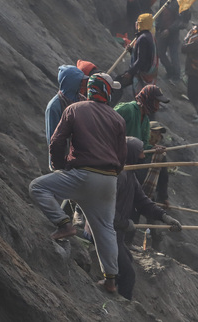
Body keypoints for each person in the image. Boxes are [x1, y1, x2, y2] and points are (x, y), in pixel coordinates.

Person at [29, 73, 127, 294]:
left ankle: (64, 224)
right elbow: (122, 156)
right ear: (107, 91)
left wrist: (58, 166)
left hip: (81, 174)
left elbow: (56, 140)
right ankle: (110, 280)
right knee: (106, 230)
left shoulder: (75, 109)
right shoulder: (117, 119)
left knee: (37, 187)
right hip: (108, 179)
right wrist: (112, 174)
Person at [114, 137, 181, 300]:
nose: (143, 156)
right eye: (141, 152)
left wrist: (165, 217)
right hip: (105, 233)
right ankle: (123, 306)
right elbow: (104, 210)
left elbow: (144, 202)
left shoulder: (130, 176)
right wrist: (125, 223)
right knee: (128, 275)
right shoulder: (117, 176)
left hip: (116, 235)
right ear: (131, 154)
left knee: (127, 260)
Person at [112, 13, 159, 105]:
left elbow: (141, 60)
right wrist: (131, 51)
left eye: (138, 22)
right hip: (145, 71)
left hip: (141, 73)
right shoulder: (149, 36)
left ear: (141, 24)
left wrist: (130, 72)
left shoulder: (142, 39)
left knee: (117, 84)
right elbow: (145, 55)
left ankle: (109, 106)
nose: (136, 23)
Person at [155, 0, 191, 82]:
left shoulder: (179, 3)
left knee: (173, 54)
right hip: (162, 31)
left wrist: (169, 29)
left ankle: (176, 75)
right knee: (160, 53)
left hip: (173, 33)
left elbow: (179, 20)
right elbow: (160, 14)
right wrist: (157, 27)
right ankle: (170, 71)